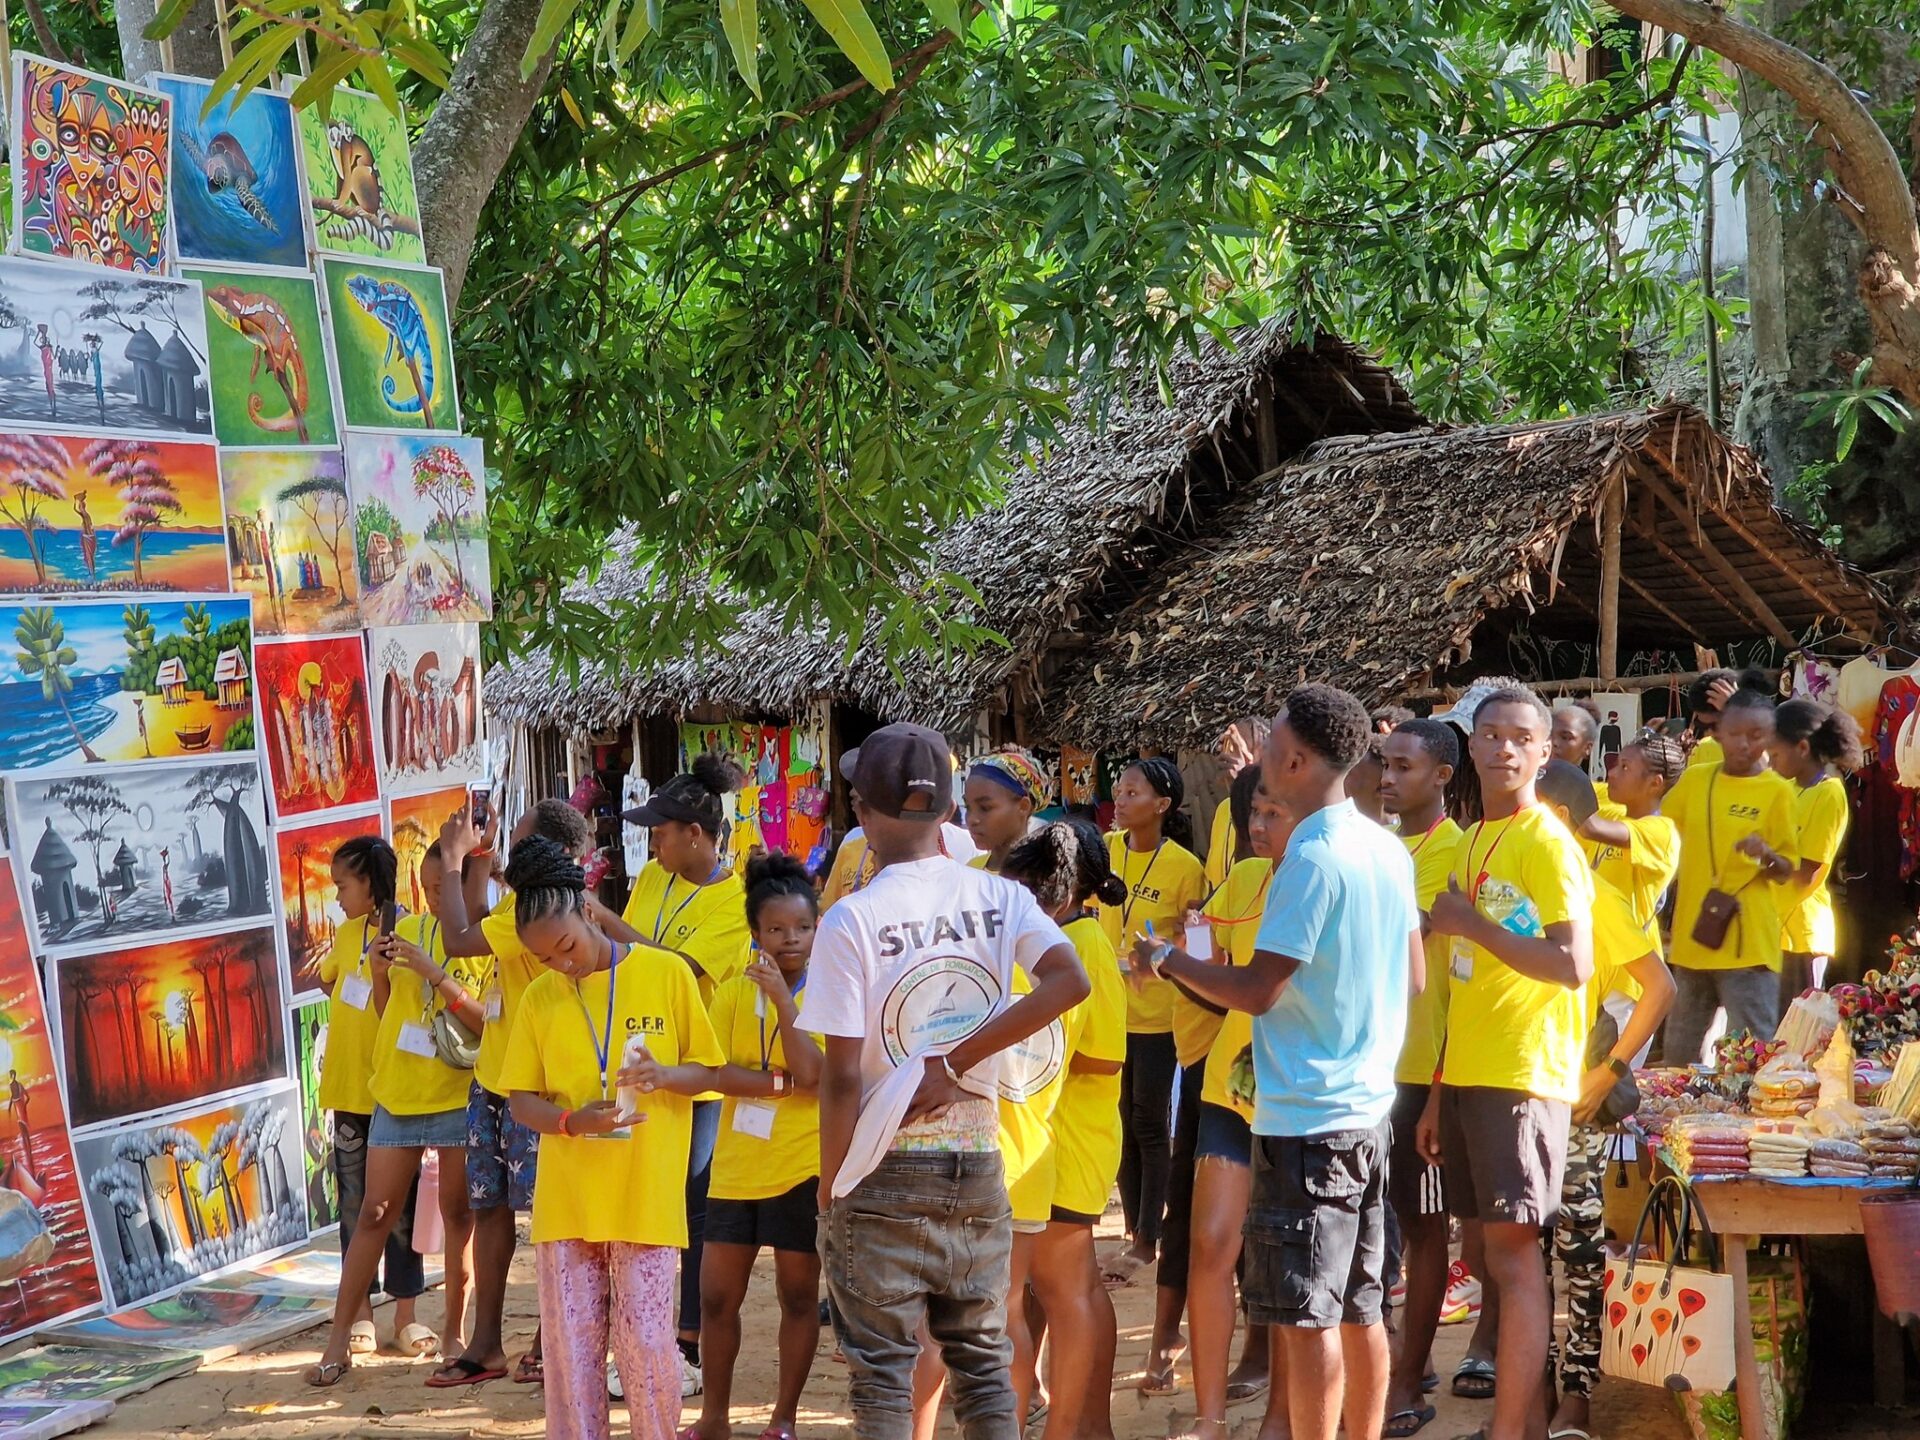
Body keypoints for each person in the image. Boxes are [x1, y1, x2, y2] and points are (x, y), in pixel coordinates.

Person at [1137, 684, 1422, 1440]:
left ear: (1294, 760)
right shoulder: (1386, 849)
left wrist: (1171, 960)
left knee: (1306, 1316)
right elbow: (1414, 975)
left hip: (1309, 1118)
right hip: (1367, 1111)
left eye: (1270, 747)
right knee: (1360, 1306)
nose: (1260, 756)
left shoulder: (1312, 859)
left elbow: (1259, 989)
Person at [804, 722, 1089, 1440]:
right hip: (978, 1162)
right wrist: (959, 1063)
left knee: (882, 1373)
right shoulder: (1000, 898)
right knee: (981, 1359)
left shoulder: (850, 920)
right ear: (951, 812)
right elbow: (1069, 979)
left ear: (862, 815)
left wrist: (830, 1183)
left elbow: (842, 1079)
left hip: (879, 1164)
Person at [498, 836, 724, 1440]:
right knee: (571, 1359)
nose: (562, 964)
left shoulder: (665, 972)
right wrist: (573, 1122)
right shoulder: (541, 1000)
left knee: (649, 1349)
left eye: (567, 945)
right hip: (568, 1205)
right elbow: (521, 1101)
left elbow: (711, 1071)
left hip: (644, 1201)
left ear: (589, 910)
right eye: (544, 958)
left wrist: (664, 1076)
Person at [1420, 686, 1594, 1440]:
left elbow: (1572, 964)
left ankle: (1509, 1433)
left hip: (1523, 1072)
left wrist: (1468, 923)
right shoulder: (1467, 843)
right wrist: (1436, 1094)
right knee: (1492, 1254)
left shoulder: (1546, 841)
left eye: (1521, 738)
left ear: (1544, 751)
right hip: (1468, 1074)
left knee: (1515, 1259)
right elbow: (1460, 985)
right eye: (1489, 736)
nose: (1503, 750)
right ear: (1471, 747)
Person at [1530, 762, 1677, 1440]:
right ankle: (1529, 1389)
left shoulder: (1591, 895)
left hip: (1572, 1100)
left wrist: (1608, 1071)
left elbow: (1659, 987)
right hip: (1503, 1093)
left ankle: (1576, 1394)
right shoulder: (1498, 887)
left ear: (1556, 819)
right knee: (1516, 1256)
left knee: (1579, 1250)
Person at [307, 843, 487, 1386]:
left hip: (457, 1097)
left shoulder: (481, 940)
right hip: (397, 1094)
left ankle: (454, 1334)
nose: (433, 898)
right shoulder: (403, 932)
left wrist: (437, 975)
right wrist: (383, 973)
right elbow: (388, 1014)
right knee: (372, 1212)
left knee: (458, 1218)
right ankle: (338, 1341)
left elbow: (485, 1024)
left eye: (443, 888)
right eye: (428, 887)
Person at [433, 798, 596, 1388]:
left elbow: (457, 935)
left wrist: (453, 859)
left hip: (533, 1084)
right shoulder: (519, 909)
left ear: (551, 855)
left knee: (546, 1217)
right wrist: (479, 857)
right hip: (495, 1079)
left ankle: (547, 1338)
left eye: (520, 844)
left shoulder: (538, 911)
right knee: (491, 1208)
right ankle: (490, 1343)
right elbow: (477, 915)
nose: (509, 855)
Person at [615, 754, 754, 1394]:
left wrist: (605, 926)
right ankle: (639, 1336)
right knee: (639, 1200)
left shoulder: (736, 905)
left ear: (695, 835)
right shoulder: (651, 877)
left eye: (662, 832)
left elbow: (679, 971)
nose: (654, 842)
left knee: (693, 1205)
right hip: (635, 1065)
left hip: (696, 1074)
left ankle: (687, 1344)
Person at [1165, 767, 1289, 1439]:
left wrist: (1183, 964)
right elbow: (1214, 984)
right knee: (1213, 1243)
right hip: (1230, 1092)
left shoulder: (1329, 882)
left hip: (1303, 1097)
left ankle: (1282, 1415)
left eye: (1273, 814)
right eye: (1253, 817)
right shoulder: (1240, 884)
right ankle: (1210, 1417)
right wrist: (1175, 958)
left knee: (1283, 1254)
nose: (1260, 828)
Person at [684, 855, 824, 1440]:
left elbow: (813, 1073)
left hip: (802, 1164)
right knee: (716, 1299)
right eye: (776, 930)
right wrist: (771, 1083)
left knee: (797, 1298)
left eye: (802, 928)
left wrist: (785, 1004)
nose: (790, 941)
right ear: (755, 933)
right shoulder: (737, 991)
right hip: (737, 1166)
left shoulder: (831, 985)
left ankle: (783, 1419)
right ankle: (714, 1419)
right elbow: (711, 1069)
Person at [1376, 720, 1462, 1439]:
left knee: (1426, 1225)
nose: (1387, 778)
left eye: (1402, 766)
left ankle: (1406, 1379)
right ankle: (1400, 1360)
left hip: (1423, 1066)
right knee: (1386, 1225)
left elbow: (1407, 933)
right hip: (1368, 1064)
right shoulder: (1380, 845)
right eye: (1383, 764)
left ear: (1441, 775)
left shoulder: (1450, 851)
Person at [313, 836, 429, 1366]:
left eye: (343, 885)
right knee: (354, 1205)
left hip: (393, 1094)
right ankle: (359, 1312)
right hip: (346, 1091)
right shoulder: (343, 934)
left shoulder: (406, 932)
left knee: (399, 1208)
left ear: (370, 883)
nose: (337, 895)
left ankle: (406, 1314)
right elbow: (327, 982)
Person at [1031, 819, 1129, 1440]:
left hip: (1072, 1137)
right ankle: (1089, 1424)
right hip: (1062, 1137)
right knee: (1075, 1289)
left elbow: (1108, 1053)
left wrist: (1041, 1053)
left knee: (1066, 1290)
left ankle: (1073, 1426)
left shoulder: (1085, 943)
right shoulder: (1073, 935)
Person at [1098, 757, 1207, 1286]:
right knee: (1119, 1121)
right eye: (1119, 790)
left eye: (1132, 792)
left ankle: (1149, 1237)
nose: (1120, 799)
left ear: (1161, 806)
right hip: (1109, 1011)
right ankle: (1134, 1233)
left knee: (1148, 1120)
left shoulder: (1185, 866)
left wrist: (1167, 954)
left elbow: (1196, 937)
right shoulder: (1107, 851)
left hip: (1160, 1016)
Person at [1662, 688, 1800, 1064]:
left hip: (1748, 948)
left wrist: (1767, 855)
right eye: (1736, 733)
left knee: (1750, 1061)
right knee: (1678, 1057)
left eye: (1756, 736)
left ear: (1769, 738)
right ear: (1718, 732)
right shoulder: (1696, 779)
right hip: (1694, 942)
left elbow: (1788, 869)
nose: (1745, 744)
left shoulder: (1777, 792)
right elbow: (1658, 830)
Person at [1771, 697, 1863, 999]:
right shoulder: (1787, 789)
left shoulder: (1829, 794)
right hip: (1773, 930)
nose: (1770, 761)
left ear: (1802, 748)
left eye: (1775, 753)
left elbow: (1809, 874)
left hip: (1801, 934)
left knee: (1794, 1035)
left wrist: (1763, 861)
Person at [1576, 731, 1686, 939]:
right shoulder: (1614, 815)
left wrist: (1556, 774)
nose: (1612, 773)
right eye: (1616, 764)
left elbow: (1590, 828)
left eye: (1625, 767)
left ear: (1655, 783)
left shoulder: (1662, 832)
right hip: (1597, 952)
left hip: (1629, 958)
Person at [963, 748, 1050, 869]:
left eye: (985, 808)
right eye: (968, 807)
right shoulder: (971, 869)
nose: (971, 819)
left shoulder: (1044, 876)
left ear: (1023, 807)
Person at [1549, 702, 1599, 772]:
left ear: (1587, 748)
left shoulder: (1581, 782)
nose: (1554, 742)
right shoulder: (1531, 779)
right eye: (1550, 735)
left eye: (1565, 737)